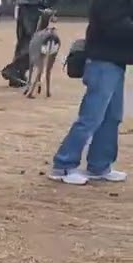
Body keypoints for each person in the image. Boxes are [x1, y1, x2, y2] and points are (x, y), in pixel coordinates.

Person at [48, 0, 131, 185]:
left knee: (112, 117)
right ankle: (63, 165)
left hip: (117, 62)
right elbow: (114, 25)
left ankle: (99, 166)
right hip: (102, 61)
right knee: (91, 117)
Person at [1, 0, 54, 87]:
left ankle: (18, 76)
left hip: (24, 6)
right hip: (36, 7)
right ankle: (14, 69)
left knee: (23, 42)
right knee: (35, 43)